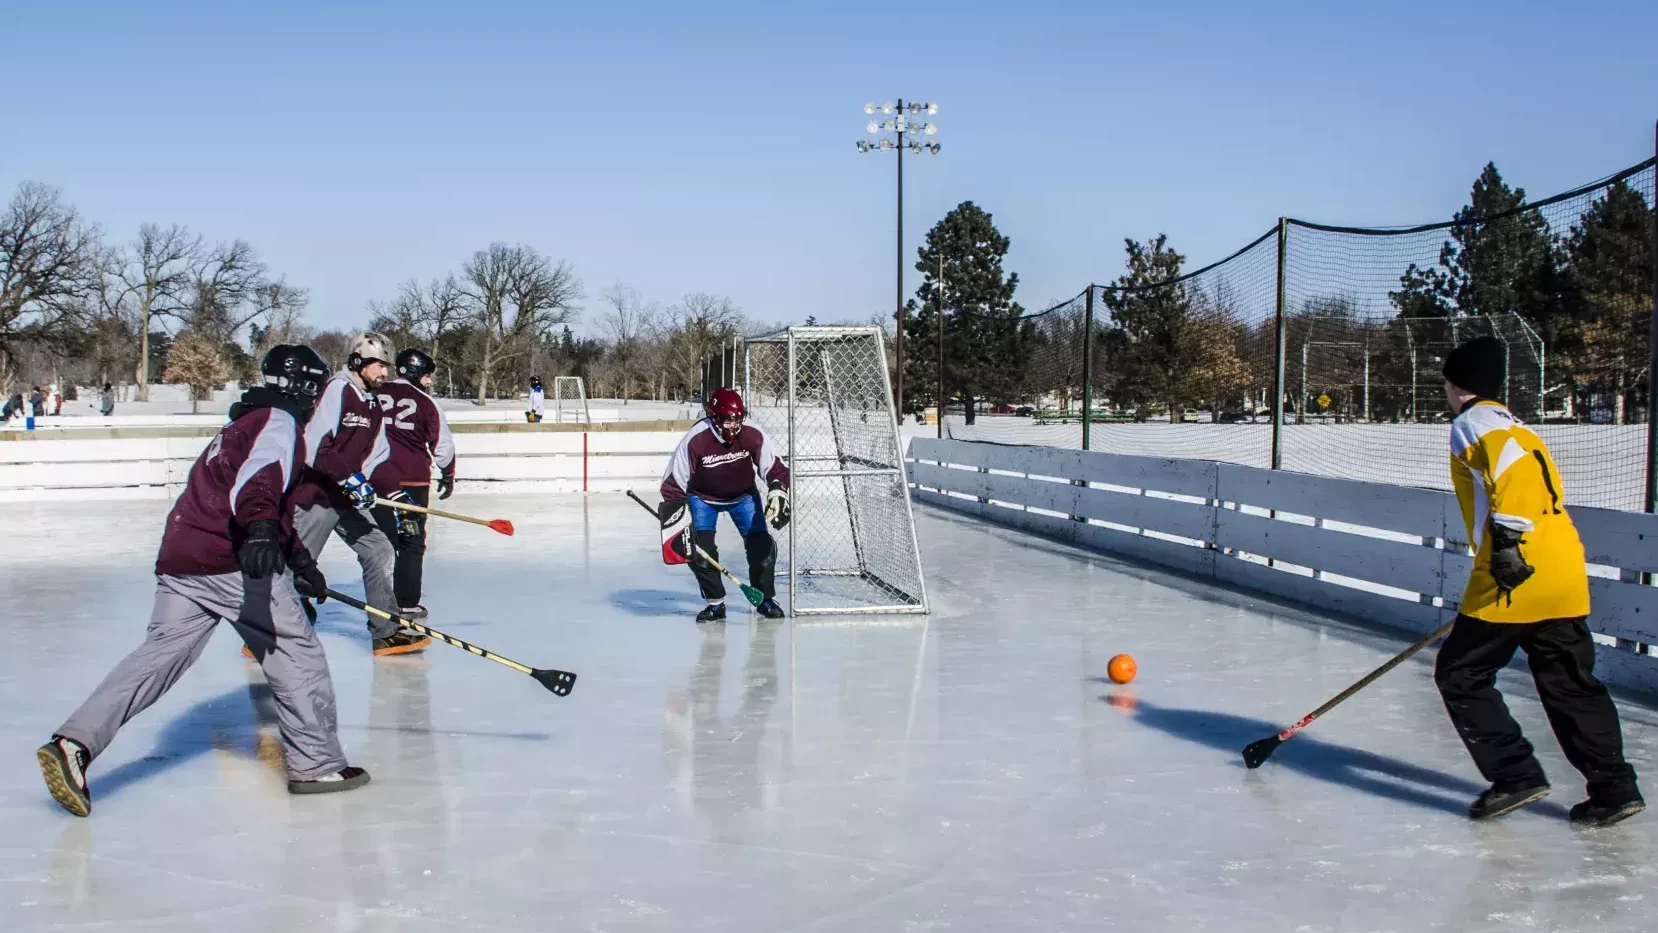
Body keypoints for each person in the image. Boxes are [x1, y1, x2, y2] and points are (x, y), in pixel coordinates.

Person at [37, 345, 370, 817]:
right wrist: (259, 532)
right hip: (229, 560)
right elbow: (259, 483)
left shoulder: (238, 425)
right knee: (297, 652)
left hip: (181, 555)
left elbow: (259, 492)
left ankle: (74, 743)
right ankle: (316, 764)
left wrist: (300, 561)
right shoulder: (278, 422)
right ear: (305, 388)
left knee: (158, 657)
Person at [1434, 335, 1643, 825]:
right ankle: (1615, 788)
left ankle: (1515, 775)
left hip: (1515, 573)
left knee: (1460, 674)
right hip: (1562, 569)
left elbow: (1516, 480)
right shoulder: (1516, 424)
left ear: (1458, 384)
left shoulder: (1474, 422)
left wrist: (1507, 543)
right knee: (1571, 684)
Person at [282, 331, 429, 657]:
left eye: (388, 367)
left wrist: (398, 496)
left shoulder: (373, 403)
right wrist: (349, 478)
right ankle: (266, 632)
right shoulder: (338, 390)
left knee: (379, 551)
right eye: (380, 366)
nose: (385, 374)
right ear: (359, 362)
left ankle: (386, 632)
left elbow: (377, 459)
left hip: (346, 498)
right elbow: (314, 445)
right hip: (316, 497)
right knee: (295, 565)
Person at [657, 387, 790, 622]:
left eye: (737, 419)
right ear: (714, 417)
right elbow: (672, 483)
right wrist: (677, 520)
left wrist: (778, 490)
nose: (733, 425)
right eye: (727, 420)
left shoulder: (752, 433)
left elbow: (775, 467)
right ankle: (716, 603)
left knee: (763, 549)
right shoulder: (696, 439)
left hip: (743, 498)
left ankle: (765, 599)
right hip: (702, 500)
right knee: (700, 553)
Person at [370, 348, 457, 619]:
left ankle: (379, 602)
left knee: (380, 541)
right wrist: (448, 473)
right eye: (428, 376)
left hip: (373, 479)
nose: (430, 382)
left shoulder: (372, 394)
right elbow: (443, 445)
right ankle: (406, 601)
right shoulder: (426, 402)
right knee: (412, 540)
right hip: (413, 481)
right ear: (417, 373)